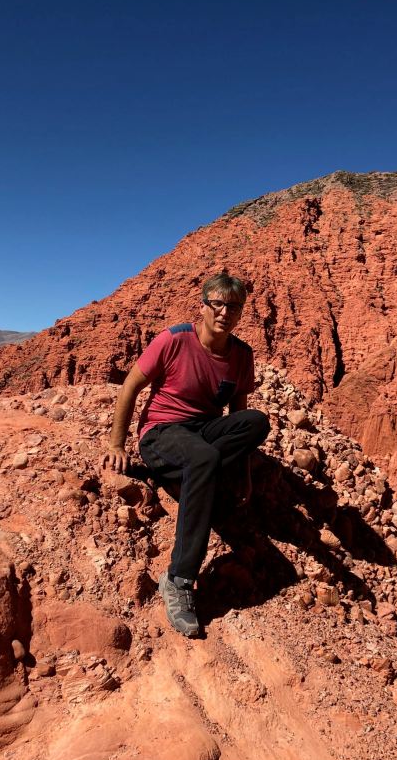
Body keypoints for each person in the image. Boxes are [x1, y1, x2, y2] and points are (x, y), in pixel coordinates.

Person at [101, 273, 270, 637]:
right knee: (204, 459)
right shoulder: (174, 339)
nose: (226, 312)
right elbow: (131, 386)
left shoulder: (242, 355)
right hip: (162, 432)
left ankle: (185, 475)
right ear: (204, 305)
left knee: (256, 422)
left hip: (204, 432)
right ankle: (179, 579)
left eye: (235, 307)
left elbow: (238, 417)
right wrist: (117, 444)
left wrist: (243, 472)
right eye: (219, 304)